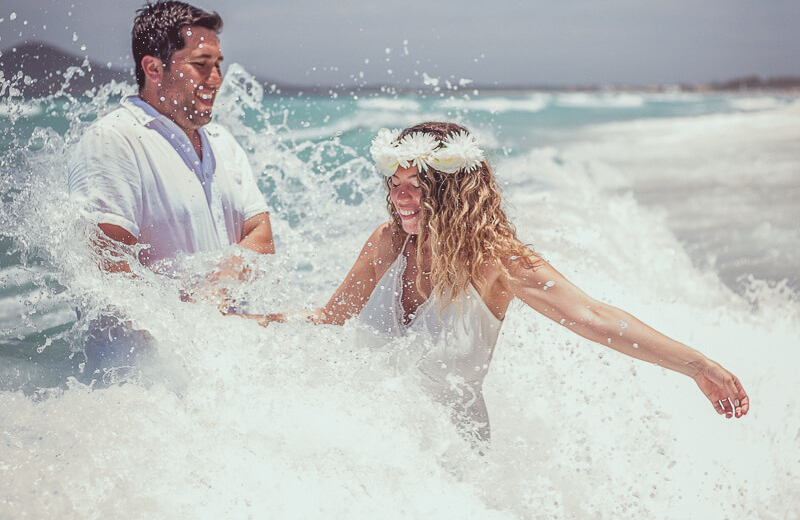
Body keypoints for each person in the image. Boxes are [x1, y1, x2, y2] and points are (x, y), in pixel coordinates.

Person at [265, 122, 748, 448]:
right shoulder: (387, 242)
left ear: (452, 187)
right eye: (395, 182)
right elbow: (329, 321)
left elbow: (594, 317)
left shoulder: (496, 261)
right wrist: (239, 324)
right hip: (370, 446)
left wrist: (697, 365)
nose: (400, 195)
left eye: (417, 182)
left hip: (448, 461)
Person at [68, 0, 274, 374]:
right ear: (153, 68)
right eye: (201, 65)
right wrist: (193, 320)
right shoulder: (113, 140)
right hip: (144, 386)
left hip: (230, 366)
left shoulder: (222, 141)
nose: (216, 79)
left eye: (218, 66)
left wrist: (219, 286)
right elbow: (108, 270)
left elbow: (261, 234)